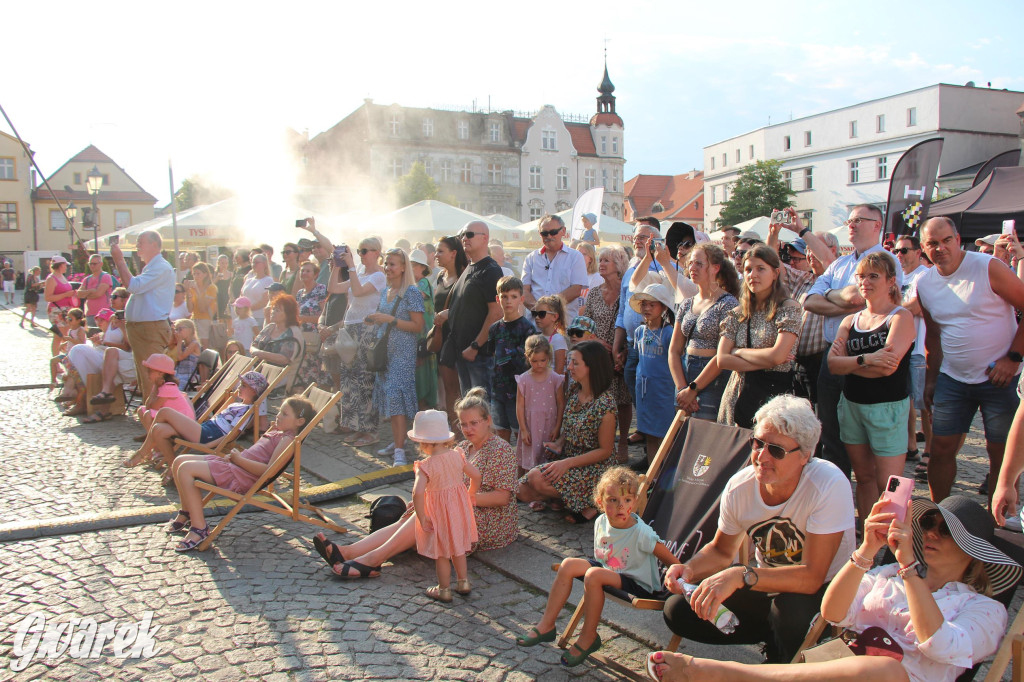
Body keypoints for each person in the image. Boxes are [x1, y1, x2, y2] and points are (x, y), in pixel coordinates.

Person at [651, 496, 1019, 682]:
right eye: (931, 523)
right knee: (869, 665)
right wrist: (866, 550)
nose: (934, 532)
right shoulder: (889, 574)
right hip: (837, 668)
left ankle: (723, 674)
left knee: (887, 672)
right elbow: (832, 613)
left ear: (972, 552)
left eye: (946, 530)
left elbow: (940, 645)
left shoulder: (985, 609)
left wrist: (910, 569)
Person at [661, 394, 855, 663]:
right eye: (758, 443)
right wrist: (690, 569)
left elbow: (812, 577)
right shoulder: (741, 485)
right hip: (765, 582)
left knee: (790, 612)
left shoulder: (828, 484)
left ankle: (792, 658)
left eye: (776, 450)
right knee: (679, 610)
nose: (762, 456)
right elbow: (720, 550)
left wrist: (742, 575)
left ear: (805, 456)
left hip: (824, 589)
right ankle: (776, 642)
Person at [313, 387, 519, 578]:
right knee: (419, 511)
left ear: (488, 421)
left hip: (490, 519)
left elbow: (502, 498)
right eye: (463, 424)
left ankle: (373, 559)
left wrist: (462, 500)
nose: (468, 429)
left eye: (474, 423)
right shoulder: (463, 447)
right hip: (461, 508)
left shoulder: (500, 449)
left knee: (432, 510)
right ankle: (349, 551)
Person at [516, 466, 679, 667]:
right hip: (609, 569)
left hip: (637, 582)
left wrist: (683, 577)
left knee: (593, 575)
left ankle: (589, 636)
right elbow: (604, 558)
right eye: (613, 500)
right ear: (600, 502)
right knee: (568, 564)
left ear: (635, 502)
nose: (621, 506)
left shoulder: (641, 533)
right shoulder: (601, 521)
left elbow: (673, 562)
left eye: (627, 500)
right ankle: (547, 624)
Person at [916, 217, 1024, 502]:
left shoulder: (987, 267)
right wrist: (931, 379)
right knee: (940, 448)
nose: (940, 248)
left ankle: (997, 516)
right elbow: (934, 336)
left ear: (957, 238)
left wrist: (1013, 358)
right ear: (923, 248)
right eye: (932, 244)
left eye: (946, 240)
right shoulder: (925, 283)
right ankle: (940, 515)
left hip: (1000, 376)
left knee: (999, 450)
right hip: (953, 378)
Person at [804, 205, 903, 477]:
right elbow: (810, 301)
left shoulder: (885, 260)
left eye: (859, 220)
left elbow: (859, 300)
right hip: (831, 354)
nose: (851, 225)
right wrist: (844, 300)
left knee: (865, 436)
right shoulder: (839, 264)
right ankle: (837, 493)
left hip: (867, 353)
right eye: (849, 220)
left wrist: (836, 297)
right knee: (831, 433)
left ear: (877, 225)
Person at [827, 252, 915, 523]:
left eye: (873, 276)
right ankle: (868, 534)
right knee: (863, 478)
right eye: (862, 276)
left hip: (887, 408)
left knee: (892, 483)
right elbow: (832, 365)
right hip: (853, 406)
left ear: (891, 281)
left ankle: (894, 537)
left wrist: (850, 363)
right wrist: (866, 360)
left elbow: (888, 367)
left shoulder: (900, 317)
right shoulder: (850, 320)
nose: (865, 282)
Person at [165, 395, 315, 552]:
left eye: (285, 414)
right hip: (235, 466)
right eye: (279, 411)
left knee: (185, 469)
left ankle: (199, 528)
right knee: (179, 461)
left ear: (300, 422)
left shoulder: (288, 440)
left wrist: (239, 460)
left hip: (240, 475)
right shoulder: (280, 433)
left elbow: (269, 471)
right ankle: (187, 511)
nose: (278, 416)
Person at [517, 341, 618, 524]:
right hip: (569, 458)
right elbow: (571, 426)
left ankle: (592, 501)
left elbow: (606, 451)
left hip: (593, 467)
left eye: (575, 363)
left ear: (591, 366)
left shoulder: (605, 404)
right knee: (522, 491)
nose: (569, 367)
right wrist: (559, 443)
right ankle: (567, 498)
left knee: (536, 479)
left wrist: (566, 463)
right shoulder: (574, 389)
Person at [717, 245, 802, 428]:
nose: (753, 275)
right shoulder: (737, 313)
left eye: (760, 269)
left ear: (775, 273)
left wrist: (738, 351)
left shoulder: (788, 308)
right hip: (737, 395)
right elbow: (722, 360)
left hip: (772, 397)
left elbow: (778, 356)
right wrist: (770, 359)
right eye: (748, 269)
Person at [124, 371, 267, 471]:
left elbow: (232, 434)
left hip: (209, 435)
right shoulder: (238, 404)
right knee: (159, 429)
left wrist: (209, 445)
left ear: (254, 391)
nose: (239, 388)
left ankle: (142, 453)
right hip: (206, 429)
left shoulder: (247, 410)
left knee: (164, 412)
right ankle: (173, 468)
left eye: (243, 385)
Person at [409, 409, 481, 602]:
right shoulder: (458, 455)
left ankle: (444, 589)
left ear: (423, 443)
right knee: (458, 547)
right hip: (458, 509)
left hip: (438, 513)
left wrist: (422, 515)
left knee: (442, 553)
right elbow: (476, 476)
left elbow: (417, 493)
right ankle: (463, 581)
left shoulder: (425, 466)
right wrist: (471, 492)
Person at [670, 243, 740, 422]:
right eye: (691, 263)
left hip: (711, 377)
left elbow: (722, 354)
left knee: (704, 437)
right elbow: (674, 350)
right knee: (682, 434)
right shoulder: (687, 303)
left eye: (699, 264)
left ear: (715, 268)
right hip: (685, 373)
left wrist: (693, 389)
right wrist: (681, 388)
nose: (692, 268)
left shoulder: (728, 304)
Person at [368, 249, 425, 466]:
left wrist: (391, 320)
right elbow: (386, 318)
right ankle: (397, 441)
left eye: (392, 264)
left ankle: (400, 450)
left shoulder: (410, 292)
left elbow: (418, 326)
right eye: (386, 264)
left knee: (397, 401)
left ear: (403, 267)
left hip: (402, 355)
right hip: (386, 354)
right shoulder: (386, 291)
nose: (388, 268)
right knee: (391, 402)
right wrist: (376, 320)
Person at [435, 221, 503, 397]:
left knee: (482, 408)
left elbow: (496, 313)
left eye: (470, 234)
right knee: (469, 407)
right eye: (462, 235)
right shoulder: (469, 267)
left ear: (485, 238)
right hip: (464, 352)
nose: (465, 238)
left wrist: (475, 345)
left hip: (480, 355)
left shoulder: (491, 270)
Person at [581, 245, 632, 461]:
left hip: (623, 354)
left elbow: (633, 322)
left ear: (619, 265)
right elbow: (584, 324)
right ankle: (603, 444)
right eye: (600, 260)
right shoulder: (594, 293)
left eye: (606, 261)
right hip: (599, 355)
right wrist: (597, 340)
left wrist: (622, 352)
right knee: (601, 399)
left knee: (623, 400)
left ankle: (622, 443)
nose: (600, 264)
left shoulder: (628, 291)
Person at [110, 230, 176, 400]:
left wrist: (118, 259)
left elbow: (133, 286)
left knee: (152, 378)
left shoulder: (161, 267)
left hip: (151, 328)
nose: (137, 245)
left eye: (141, 242)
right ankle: (152, 416)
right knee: (145, 377)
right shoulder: (152, 266)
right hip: (143, 328)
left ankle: (157, 418)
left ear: (154, 244)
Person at [334, 237, 386, 447]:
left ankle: (371, 431)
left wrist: (351, 267)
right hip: (350, 328)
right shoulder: (361, 274)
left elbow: (358, 291)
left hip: (367, 329)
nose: (362, 254)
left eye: (365, 251)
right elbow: (334, 289)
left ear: (376, 252)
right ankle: (356, 427)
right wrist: (335, 266)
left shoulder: (379, 275)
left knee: (365, 381)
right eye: (359, 251)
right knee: (348, 381)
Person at [631, 283, 677, 464]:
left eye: (652, 304)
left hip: (663, 391)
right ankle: (652, 474)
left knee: (665, 435)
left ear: (663, 307)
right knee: (649, 433)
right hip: (644, 392)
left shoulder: (669, 333)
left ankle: (666, 473)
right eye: (644, 304)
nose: (647, 308)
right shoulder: (639, 332)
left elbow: (676, 362)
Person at [485, 276, 535, 443]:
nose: (508, 301)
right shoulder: (494, 329)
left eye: (513, 297)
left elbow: (531, 364)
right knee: (501, 436)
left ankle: (522, 470)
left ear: (521, 299)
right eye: (504, 296)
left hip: (519, 393)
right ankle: (503, 468)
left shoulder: (527, 329)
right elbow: (492, 358)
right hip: (498, 391)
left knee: (521, 436)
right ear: (498, 299)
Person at [522, 214, 589, 319]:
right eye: (544, 233)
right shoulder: (531, 258)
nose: (549, 236)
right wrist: (539, 311)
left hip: (563, 325)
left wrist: (548, 309)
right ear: (540, 234)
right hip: (535, 325)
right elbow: (524, 290)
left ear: (563, 231)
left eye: (553, 232)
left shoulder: (575, 257)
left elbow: (576, 290)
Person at [432, 237, 469, 425]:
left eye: (440, 251)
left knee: (458, 390)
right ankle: (453, 432)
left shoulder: (465, 277)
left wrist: (449, 313)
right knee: (448, 388)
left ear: (453, 253)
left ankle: (461, 433)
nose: (436, 255)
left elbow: (470, 308)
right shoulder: (440, 277)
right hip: (441, 337)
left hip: (458, 338)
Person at [516, 335, 566, 477]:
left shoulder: (555, 378)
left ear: (549, 357)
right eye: (534, 361)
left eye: (543, 360)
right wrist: (524, 430)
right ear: (527, 357)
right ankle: (526, 488)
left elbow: (561, 404)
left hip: (548, 426)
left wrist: (557, 427)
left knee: (547, 459)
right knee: (529, 460)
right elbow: (519, 406)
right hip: (530, 427)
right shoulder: (523, 380)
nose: (539, 364)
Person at [250, 295, 303, 390]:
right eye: (273, 309)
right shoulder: (270, 327)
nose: (272, 312)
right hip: (261, 373)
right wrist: (256, 352)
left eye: (277, 310)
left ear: (288, 314)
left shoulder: (293, 333)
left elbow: (284, 359)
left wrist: (260, 354)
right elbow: (254, 345)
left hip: (281, 378)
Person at [134, 353, 195, 434]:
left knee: (148, 414)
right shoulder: (159, 385)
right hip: (173, 418)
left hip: (184, 423)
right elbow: (148, 405)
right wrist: (155, 387)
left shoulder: (168, 387)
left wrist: (155, 387)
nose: (147, 374)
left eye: (150, 371)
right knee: (141, 410)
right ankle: (152, 437)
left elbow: (153, 407)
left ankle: (154, 440)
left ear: (160, 373)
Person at [410, 249, 437, 410]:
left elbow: (417, 296)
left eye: (415, 265)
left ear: (422, 268)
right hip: (415, 333)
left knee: (423, 370)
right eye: (410, 265)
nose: (412, 269)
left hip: (424, 335)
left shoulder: (423, 283)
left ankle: (424, 406)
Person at [294, 260, 327, 389]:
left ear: (315, 274)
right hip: (303, 337)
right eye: (302, 271)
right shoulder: (299, 293)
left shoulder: (320, 290)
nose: (304, 273)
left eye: (308, 271)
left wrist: (303, 318)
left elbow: (325, 315)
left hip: (316, 336)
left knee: (319, 373)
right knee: (304, 373)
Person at [43, 256, 76, 357]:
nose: (67, 267)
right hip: (56, 310)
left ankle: (65, 358)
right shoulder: (51, 279)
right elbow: (48, 297)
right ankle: (56, 361)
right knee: (59, 336)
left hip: (66, 309)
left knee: (66, 335)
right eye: (65, 265)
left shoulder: (61, 276)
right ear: (60, 265)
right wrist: (66, 295)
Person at [531, 294, 568, 375]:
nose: (537, 317)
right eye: (535, 313)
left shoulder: (558, 339)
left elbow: (559, 370)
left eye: (541, 314)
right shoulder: (537, 338)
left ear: (554, 317)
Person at [49, 308, 87, 388]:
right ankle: (53, 381)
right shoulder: (71, 329)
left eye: (70, 319)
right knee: (53, 361)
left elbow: (82, 343)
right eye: (67, 318)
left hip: (75, 357)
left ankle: (77, 387)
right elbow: (71, 340)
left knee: (71, 374)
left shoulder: (80, 330)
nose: (68, 320)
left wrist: (69, 339)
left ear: (78, 320)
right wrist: (65, 343)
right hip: (68, 355)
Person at [184, 262, 217, 347]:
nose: (196, 276)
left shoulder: (211, 288)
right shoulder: (192, 288)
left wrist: (198, 292)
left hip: (205, 320)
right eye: (194, 274)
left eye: (198, 273)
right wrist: (187, 292)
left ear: (205, 274)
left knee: (204, 345)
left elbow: (203, 308)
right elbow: (190, 309)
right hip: (194, 319)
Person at [77, 254, 114, 326]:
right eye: (90, 264)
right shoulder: (87, 279)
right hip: (90, 314)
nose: (92, 266)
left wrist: (86, 294)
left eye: (94, 264)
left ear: (101, 264)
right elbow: (79, 294)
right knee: (91, 335)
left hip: (103, 314)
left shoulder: (105, 277)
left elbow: (98, 294)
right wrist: (91, 291)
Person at [240, 254, 274, 327]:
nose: (253, 265)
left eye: (256, 262)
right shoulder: (248, 280)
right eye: (252, 262)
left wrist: (246, 310)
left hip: (259, 317)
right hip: (246, 317)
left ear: (264, 264)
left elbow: (264, 301)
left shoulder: (268, 280)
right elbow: (242, 296)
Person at [171, 318, 202, 390]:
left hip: (189, 376)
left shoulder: (194, 344)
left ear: (190, 330)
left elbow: (180, 357)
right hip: (179, 373)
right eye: (177, 329)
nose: (178, 332)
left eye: (180, 329)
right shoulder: (183, 344)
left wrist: (179, 342)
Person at [214, 254, 233, 318]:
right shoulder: (214, 273)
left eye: (226, 263)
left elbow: (232, 287)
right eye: (222, 263)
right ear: (218, 263)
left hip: (226, 298)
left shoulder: (231, 274)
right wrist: (217, 278)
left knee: (227, 318)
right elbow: (210, 285)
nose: (224, 265)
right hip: (217, 298)